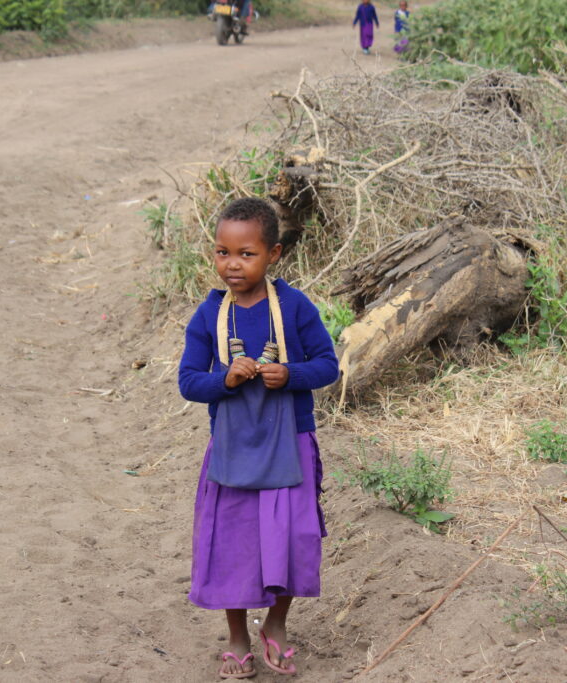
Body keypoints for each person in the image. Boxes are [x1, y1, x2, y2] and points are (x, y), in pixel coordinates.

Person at [178, 197, 339, 679]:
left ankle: (276, 624)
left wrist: (288, 374)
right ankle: (236, 636)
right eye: (223, 252)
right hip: (232, 450)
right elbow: (189, 381)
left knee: (292, 537)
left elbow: (328, 365)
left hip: (290, 442)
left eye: (247, 253)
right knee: (232, 543)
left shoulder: (293, 306)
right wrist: (224, 379)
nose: (233, 264)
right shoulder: (209, 316)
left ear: (275, 254)